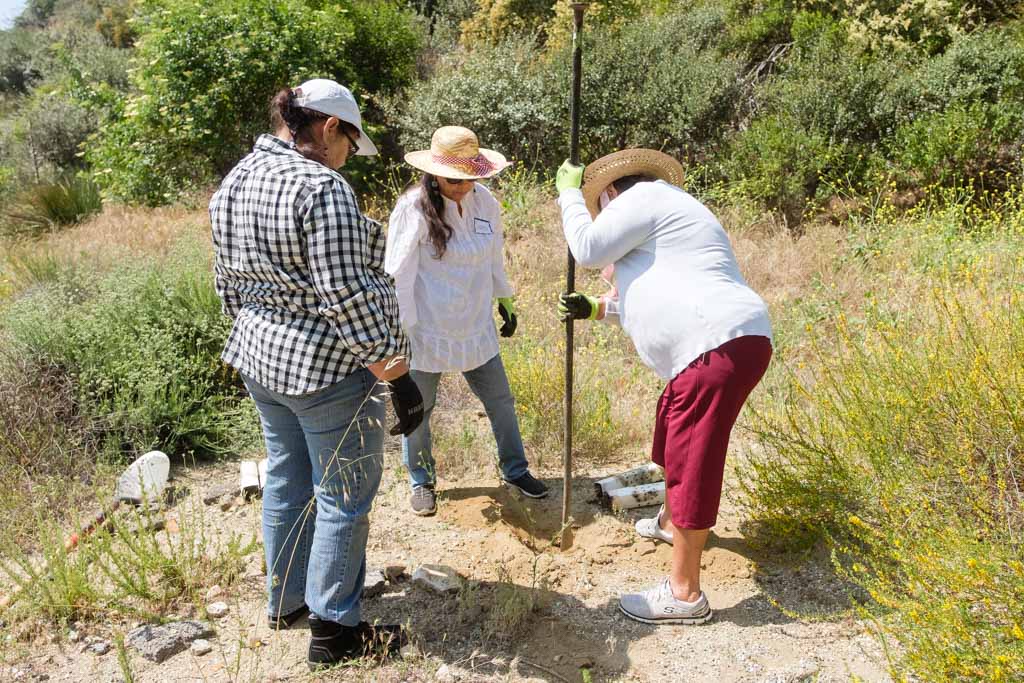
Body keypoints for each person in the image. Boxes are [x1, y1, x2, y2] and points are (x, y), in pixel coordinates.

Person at [209, 79, 425, 668]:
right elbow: (346, 295)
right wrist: (396, 374)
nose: (349, 156)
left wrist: (261, 329)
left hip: (259, 357)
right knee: (344, 494)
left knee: (287, 474)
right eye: (350, 143)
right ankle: (335, 634)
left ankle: (288, 600)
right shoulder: (321, 187)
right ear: (330, 128)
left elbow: (226, 282)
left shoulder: (236, 178)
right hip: (326, 369)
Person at [554, 149, 773, 625]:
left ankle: (685, 593)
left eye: (598, 203)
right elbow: (650, 297)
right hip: (719, 343)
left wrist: (568, 194)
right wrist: (594, 308)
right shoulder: (669, 218)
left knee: (693, 456)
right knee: (674, 427)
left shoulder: (646, 196)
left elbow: (586, 249)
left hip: (714, 344)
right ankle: (671, 522)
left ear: (611, 192)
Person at [384, 126, 548, 516]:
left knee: (501, 402)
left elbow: (493, 256)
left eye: (468, 178)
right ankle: (420, 480)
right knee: (418, 411)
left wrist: (504, 297)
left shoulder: (485, 202)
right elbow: (399, 274)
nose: (461, 187)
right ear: (435, 173)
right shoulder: (412, 208)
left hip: (475, 325)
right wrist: (400, 332)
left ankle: (515, 470)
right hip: (426, 330)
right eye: (453, 180)